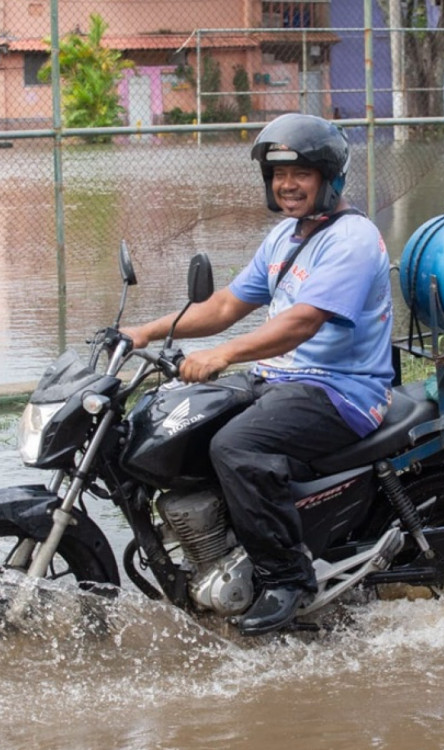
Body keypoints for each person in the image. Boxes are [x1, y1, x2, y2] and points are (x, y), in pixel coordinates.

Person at [121, 113, 394, 635]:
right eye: (277, 176)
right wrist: (146, 331)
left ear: (329, 178)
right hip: (282, 380)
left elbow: (301, 323)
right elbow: (225, 305)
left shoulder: (352, 240)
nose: (287, 185)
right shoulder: (286, 238)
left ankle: (287, 579)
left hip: (342, 391)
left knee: (237, 447)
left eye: (301, 175)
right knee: (181, 423)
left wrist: (224, 356)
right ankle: (221, 552)